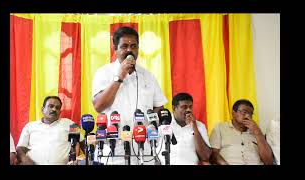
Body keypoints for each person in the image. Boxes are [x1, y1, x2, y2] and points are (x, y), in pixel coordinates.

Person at [92, 26, 167, 165]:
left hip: (144, 151)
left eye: (133, 46)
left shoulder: (148, 76)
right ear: (115, 49)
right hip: (114, 150)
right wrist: (119, 76)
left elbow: (158, 108)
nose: (129, 50)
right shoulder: (104, 73)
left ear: (138, 49)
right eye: (124, 46)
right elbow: (99, 106)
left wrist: (155, 126)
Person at [16, 96, 83, 165]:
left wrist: (81, 160)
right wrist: (25, 159)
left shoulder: (71, 124)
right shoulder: (30, 126)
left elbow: (83, 143)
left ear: (60, 112)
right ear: (42, 109)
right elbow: (20, 148)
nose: (54, 109)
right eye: (50, 106)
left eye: (57, 108)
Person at [209, 99, 274, 165]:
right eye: (244, 112)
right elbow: (214, 154)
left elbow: (269, 162)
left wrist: (257, 132)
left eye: (251, 113)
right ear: (233, 113)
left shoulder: (257, 131)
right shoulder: (220, 128)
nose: (248, 116)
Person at [157, 93, 211, 165]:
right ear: (174, 108)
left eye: (190, 107)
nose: (188, 110)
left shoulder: (199, 126)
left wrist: (194, 126)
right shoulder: (162, 123)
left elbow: (205, 156)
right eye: (184, 107)